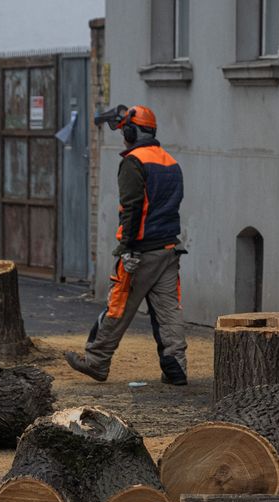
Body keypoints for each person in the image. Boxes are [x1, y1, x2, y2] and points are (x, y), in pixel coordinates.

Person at [65, 104, 188, 385]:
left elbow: (132, 208)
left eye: (124, 132)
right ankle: (176, 368)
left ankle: (96, 361)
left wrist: (128, 248)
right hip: (168, 250)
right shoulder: (171, 162)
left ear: (133, 132)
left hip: (141, 251)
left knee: (118, 306)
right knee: (169, 311)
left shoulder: (134, 162)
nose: (123, 137)